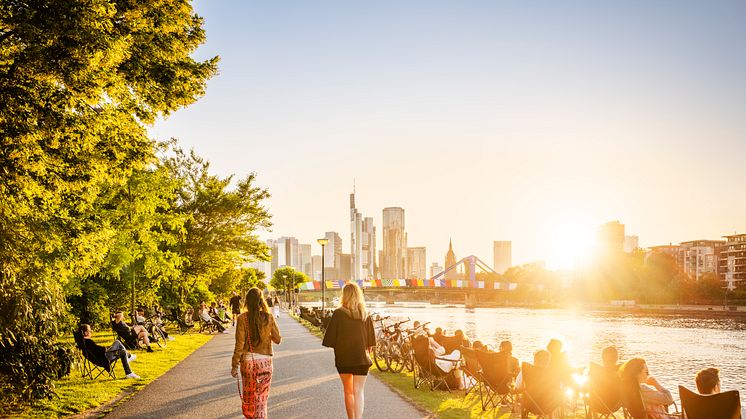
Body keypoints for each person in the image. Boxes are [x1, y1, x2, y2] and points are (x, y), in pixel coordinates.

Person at [322, 282, 376, 419]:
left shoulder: (338, 314)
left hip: (344, 359)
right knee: (359, 391)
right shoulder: (365, 314)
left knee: (348, 391)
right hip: (362, 358)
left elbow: (330, 340)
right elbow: (371, 342)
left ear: (344, 295)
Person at [231, 288, 282, 419]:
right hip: (265, 362)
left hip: (248, 362)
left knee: (249, 397)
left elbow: (239, 344)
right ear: (261, 301)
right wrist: (265, 335)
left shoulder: (242, 318)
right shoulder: (268, 317)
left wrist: (234, 365)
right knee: (261, 399)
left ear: (247, 301)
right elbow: (278, 339)